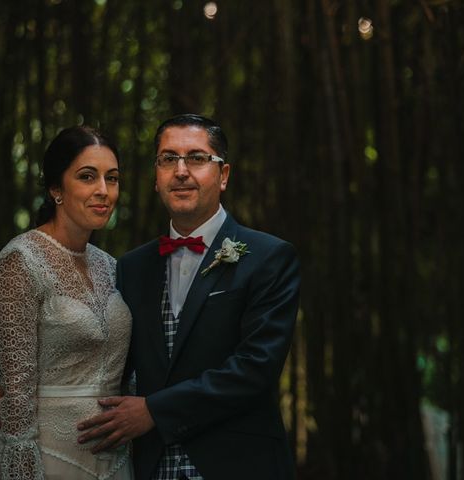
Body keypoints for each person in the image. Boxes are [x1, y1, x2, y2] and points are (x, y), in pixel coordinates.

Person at [75, 114, 301, 479]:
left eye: (196, 158)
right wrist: (32, 394)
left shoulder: (269, 257)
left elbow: (255, 367)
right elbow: (111, 361)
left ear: (223, 175)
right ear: (155, 177)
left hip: (238, 465)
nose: (181, 171)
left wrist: (154, 411)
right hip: (150, 466)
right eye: (168, 159)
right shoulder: (131, 267)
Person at [0, 126, 133, 479]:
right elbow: (16, 394)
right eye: (87, 177)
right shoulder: (20, 261)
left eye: (112, 179)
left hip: (117, 459)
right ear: (56, 189)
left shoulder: (111, 266)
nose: (103, 191)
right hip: (49, 457)